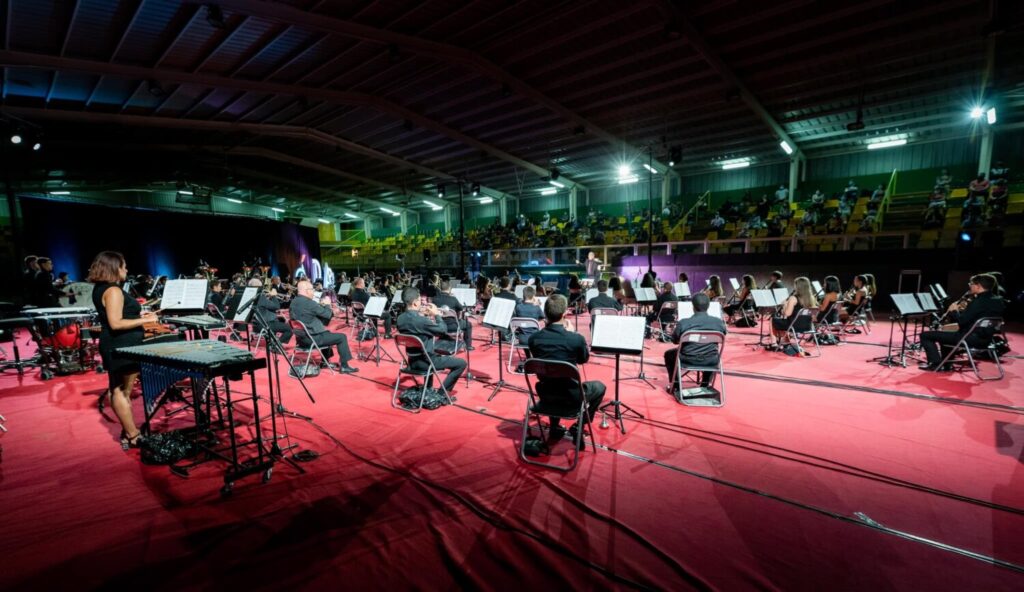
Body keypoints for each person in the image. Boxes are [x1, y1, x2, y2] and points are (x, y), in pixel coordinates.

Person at [89, 251, 158, 449]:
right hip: (122, 343)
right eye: (123, 266)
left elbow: (117, 315)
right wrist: (146, 320)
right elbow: (116, 323)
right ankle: (133, 435)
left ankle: (129, 431)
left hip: (116, 342)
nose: (126, 270)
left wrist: (140, 314)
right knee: (121, 390)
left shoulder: (101, 288)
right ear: (114, 268)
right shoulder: (113, 290)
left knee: (117, 387)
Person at [526, 295, 606, 448]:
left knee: (552, 379)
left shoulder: (534, 339)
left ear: (545, 313)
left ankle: (555, 426)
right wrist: (572, 333)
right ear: (564, 314)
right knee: (600, 387)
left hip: (545, 394)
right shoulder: (575, 339)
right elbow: (583, 359)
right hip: (572, 397)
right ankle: (579, 426)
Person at [919, 274, 1005, 371]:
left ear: (978, 286)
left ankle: (935, 364)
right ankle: (947, 364)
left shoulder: (978, 301)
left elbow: (962, 322)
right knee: (946, 335)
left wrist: (955, 311)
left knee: (925, 335)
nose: (970, 286)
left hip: (969, 338)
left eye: (971, 284)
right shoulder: (998, 301)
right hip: (987, 340)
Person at [397, 287, 467, 393]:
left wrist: (423, 316)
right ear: (415, 303)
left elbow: (415, 327)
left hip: (411, 361)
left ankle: (428, 389)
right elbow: (443, 330)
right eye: (420, 301)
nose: (421, 303)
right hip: (427, 362)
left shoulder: (400, 319)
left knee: (427, 349)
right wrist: (437, 315)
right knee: (461, 363)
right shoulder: (422, 321)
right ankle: (442, 393)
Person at [290, 279, 358, 373]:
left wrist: (319, 306)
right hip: (312, 340)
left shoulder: (294, 302)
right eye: (312, 289)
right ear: (306, 291)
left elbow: (308, 313)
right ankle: (344, 366)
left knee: (327, 333)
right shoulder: (310, 303)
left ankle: (324, 362)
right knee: (342, 337)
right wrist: (327, 304)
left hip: (301, 340)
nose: (313, 291)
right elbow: (328, 314)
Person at [665, 293, 727, 392]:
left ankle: (676, 385)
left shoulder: (684, 322)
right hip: (711, 360)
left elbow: (675, 341)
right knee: (711, 351)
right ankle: (705, 384)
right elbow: (723, 335)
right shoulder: (718, 322)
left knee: (669, 354)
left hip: (688, 359)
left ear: (693, 307)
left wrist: (672, 332)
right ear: (708, 306)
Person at [772, 277, 817, 347]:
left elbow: (787, 314)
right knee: (782, 321)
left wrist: (784, 305)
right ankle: (785, 339)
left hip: (794, 326)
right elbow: (814, 316)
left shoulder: (793, 298)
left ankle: (773, 342)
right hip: (808, 326)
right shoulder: (812, 298)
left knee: (772, 319)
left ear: (797, 286)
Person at [432, 280, 475, 351]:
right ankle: (468, 346)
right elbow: (461, 308)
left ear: (440, 289)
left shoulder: (434, 299)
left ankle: (444, 338)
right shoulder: (453, 299)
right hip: (453, 326)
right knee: (468, 324)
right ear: (449, 289)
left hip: (439, 325)